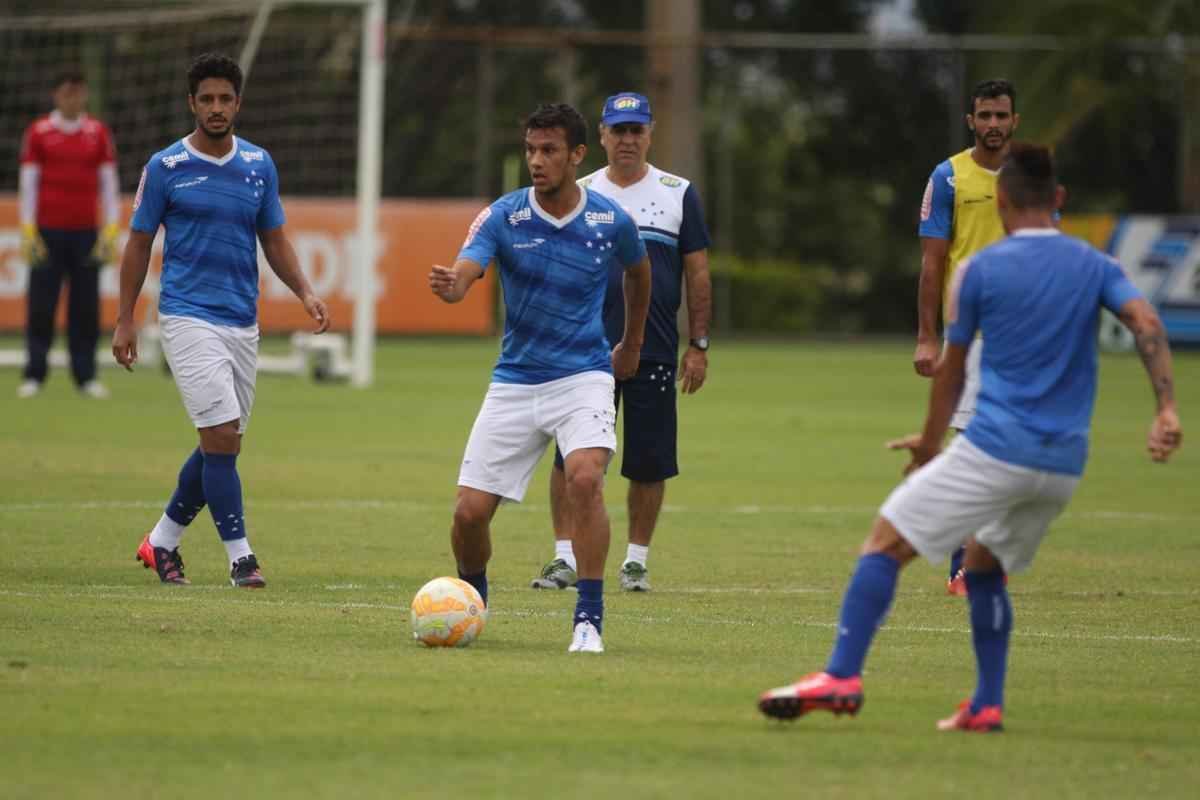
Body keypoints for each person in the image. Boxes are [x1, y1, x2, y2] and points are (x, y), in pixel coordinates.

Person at [758, 143, 1182, 731]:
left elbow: (952, 372)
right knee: (982, 566)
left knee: (885, 543)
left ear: (1002, 200)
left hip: (998, 448)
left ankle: (841, 675)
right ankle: (985, 704)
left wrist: (930, 446)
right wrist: (1165, 409)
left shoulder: (981, 269)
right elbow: (1148, 323)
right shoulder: (1096, 265)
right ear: (1057, 200)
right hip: (1063, 464)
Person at [429, 103, 651, 653]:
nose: (536, 160)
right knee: (468, 515)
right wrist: (454, 286)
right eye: (530, 149)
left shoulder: (608, 221)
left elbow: (640, 272)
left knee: (584, 478)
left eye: (549, 150)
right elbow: (466, 272)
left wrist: (633, 343)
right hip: (516, 380)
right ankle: (472, 601)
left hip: (584, 377)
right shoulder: (503, 216)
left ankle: (588, 618)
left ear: (577, 155)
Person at [112, 53, 329, 588]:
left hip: (241, 321)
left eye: (224, 98)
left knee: (223, 442)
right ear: (192, 104)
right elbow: (138, 245)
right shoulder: (165, 168)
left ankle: (161, 541)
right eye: (205, 98)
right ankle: (241, 558)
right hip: (187, 316)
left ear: (238, 103)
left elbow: (273, 238)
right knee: (221, 437)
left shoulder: (259, 164)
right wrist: (125, 320)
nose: (215, 107)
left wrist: (304, 291)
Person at [529, 91, 712, 594]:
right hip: (581, 352)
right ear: (602, 137)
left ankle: (636, 561)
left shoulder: (678, 193)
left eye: (637, 130)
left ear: (650, 134)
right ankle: (564, 557)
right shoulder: (579, 190)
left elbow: (697, 274)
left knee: (649, 461)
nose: (627, 140)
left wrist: (698, 344)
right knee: (571, 458)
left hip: (653, 348)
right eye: (618, 131)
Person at [915, 78, 1019, 595]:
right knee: (970, 444)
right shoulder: (949, 176)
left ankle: (990, 556)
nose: (993, 125)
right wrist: (927, 337)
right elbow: (932, 264)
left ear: (1014, 121)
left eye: (1002, 116)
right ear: (971, 121)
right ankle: (962, 564)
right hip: (969, 332)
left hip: (1024, 332)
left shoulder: (1029, 176)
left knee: (1016, 445)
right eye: (985, 116)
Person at [17, 70, 120, 399]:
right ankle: (35, 374)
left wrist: (111, 227)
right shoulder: (39, 132)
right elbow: (29, 181)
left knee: (85, 308)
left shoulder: (97, 133)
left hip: (86, 233)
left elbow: (108, 183)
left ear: (84, 97)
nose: (72, 100)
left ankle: (85, 376)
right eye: (67, 94)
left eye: (78, 94)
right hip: (46, 232)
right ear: (56, 96)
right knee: (41, 306)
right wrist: (28, 227)